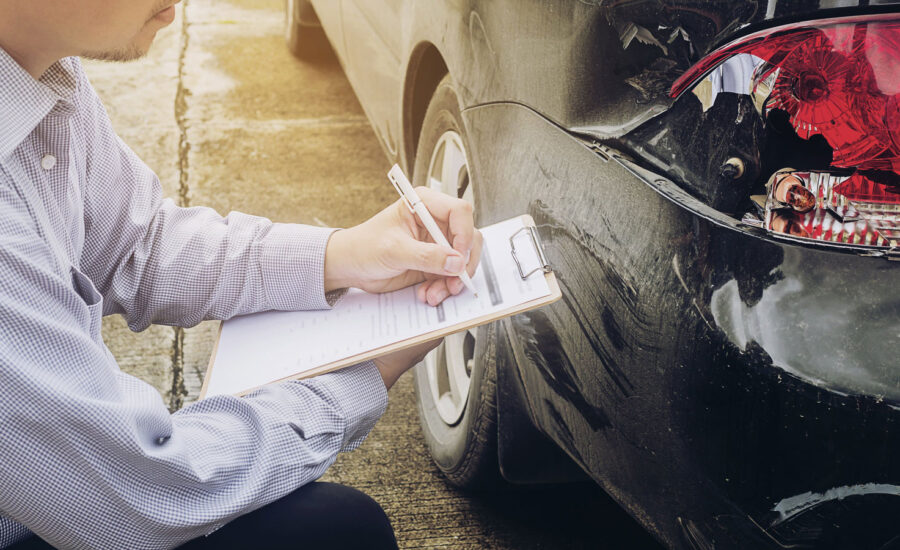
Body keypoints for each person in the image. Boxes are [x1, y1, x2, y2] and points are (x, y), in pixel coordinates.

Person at [0, 1, 482, 548]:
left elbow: (137, 245)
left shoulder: (42, 76)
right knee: (341, 534)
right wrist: (357, 373)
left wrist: (344, 255)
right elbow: (143, 493)